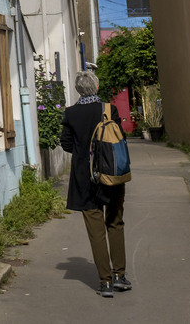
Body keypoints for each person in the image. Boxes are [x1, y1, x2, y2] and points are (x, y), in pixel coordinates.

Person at [59, 69, 131, 297]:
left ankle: (105, 282)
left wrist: (84, 153)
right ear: (97, 87)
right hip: (112, 175)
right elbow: (120, 138)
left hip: (85, 179)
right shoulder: (109, 110)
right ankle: (119, 276)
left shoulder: (71, 114)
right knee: (115, 222)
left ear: (77, 89)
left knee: (96, 230)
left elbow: (66, 144)